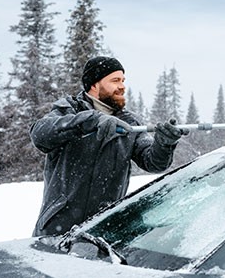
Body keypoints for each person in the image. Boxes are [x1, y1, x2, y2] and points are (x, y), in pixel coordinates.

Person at [30, 56, 187, 237]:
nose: (122, 86)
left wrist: (164, 143)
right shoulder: (68, 110)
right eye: (115, 80)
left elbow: (153, 162)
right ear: (94, 85)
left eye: (122, 80)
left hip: (105, 230)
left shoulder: (129, 122)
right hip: (57, 229)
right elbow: (39, 134)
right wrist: (90, 120)